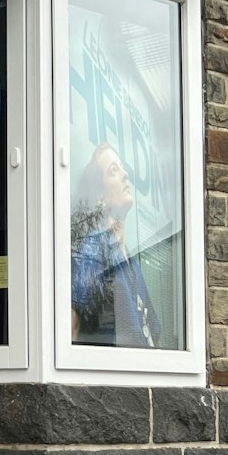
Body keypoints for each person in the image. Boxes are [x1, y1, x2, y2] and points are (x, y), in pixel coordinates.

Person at [70, 142, 160, 349]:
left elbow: (152, 331)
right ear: (100, 196)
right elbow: (73, 326)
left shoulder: (129, 258)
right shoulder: (92, 250)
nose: (125, 174)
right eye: (113, 170)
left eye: (122, 167)